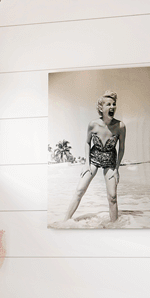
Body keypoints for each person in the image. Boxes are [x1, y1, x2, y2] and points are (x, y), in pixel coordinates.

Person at [63, 90, 126, 224]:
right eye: (108, 104)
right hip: (93, 159)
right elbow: (87, 142)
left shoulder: (120, 126)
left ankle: (115, 227)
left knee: (113, 197)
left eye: (114, 104)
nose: (112, 107)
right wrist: (87, 163)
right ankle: (65, 221)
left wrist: (116, 169)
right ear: (101, 108)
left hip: (110, 161)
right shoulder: (93, 125)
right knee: (80, 190)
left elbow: (121, 149)